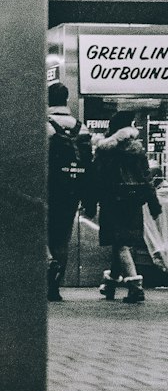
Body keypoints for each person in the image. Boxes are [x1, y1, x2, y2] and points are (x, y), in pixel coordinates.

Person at [88, 115, 161, 304]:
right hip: (134, 201)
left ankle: (135, 288)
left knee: (120, 243)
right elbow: (147, 179)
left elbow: (96, 179)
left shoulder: (105, 151)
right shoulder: (138, 150)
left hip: (112, 201)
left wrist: (89, 204)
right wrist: (153, 203)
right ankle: (110, 283)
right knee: (120, 243)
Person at [46, 82, 92, 301]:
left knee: (41, 234)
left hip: (47, 189)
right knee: (62, 238)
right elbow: (89, 163)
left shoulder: (45, 126)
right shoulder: (81, 128)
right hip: (72, 190)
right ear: (66, 99)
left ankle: (47, 265)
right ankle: (55, 288)